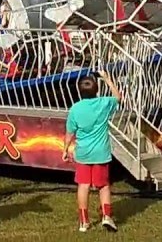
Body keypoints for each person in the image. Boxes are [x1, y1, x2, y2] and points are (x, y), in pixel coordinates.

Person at [62, 68, 123, 232]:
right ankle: (107, 216)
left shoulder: (75, 109)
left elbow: (70, 133)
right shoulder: (104, 103)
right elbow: (118, 96)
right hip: (101, 152)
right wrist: (106, 78)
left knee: (83, 185)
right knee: (103, 186)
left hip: (83, 153)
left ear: (80, 92)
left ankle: (84, 222)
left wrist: (65, 149)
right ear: (96, 90)